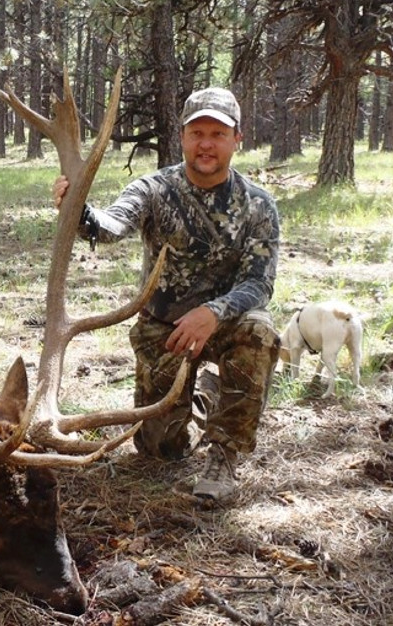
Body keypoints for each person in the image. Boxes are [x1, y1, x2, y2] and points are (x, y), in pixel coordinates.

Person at [53, 87, 280, 501]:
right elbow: (111, 225)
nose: (206, 143)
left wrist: (212, 313)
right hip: (165, 331)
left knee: (260, 332)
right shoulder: (154, 189)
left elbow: (259, 283)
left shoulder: (259, 205)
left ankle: (223, 455)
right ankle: (202, 398)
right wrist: (79, 211)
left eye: (217, 133)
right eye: (197, 133)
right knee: (161, 452)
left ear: (236, 139)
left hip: (227, 326)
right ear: (182, 137)